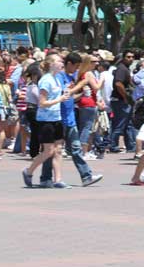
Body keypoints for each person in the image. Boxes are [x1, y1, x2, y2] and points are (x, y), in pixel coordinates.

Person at [39, 53, 103, 187]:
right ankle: (45, 178)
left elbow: (70, 97)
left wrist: (81, 94)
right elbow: (64, 93)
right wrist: (81, 84)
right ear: (69, 64)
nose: (76, 69)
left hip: (70, 117)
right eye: (76, 66)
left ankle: (86, 176)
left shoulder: (70, 77)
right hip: (59, 118)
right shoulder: (59, 77)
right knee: (53, 150)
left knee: (75, 148)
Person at [23, 54, 71, 188]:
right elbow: (42, 103)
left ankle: (58, 179)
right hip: (45, 119)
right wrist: (59, 99)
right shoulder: (46, 80)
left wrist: (67, 93)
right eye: (58, 61)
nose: (62, 62)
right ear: (50, 64)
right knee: (48, 151)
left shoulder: (57, 79)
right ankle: (29, 171)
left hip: (57, 118)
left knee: (59, 150)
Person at [108, 52, 136, 154]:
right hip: (120, 100)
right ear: (123, 58)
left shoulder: (126, 69)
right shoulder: (122, 69)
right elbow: (118, 83)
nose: (131, 59)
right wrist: (125, 97)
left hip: (123, 101)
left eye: (132, 57)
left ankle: (131, 146)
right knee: (119, 124)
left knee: (128, 124)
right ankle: (113, 145)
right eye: (128, 57)